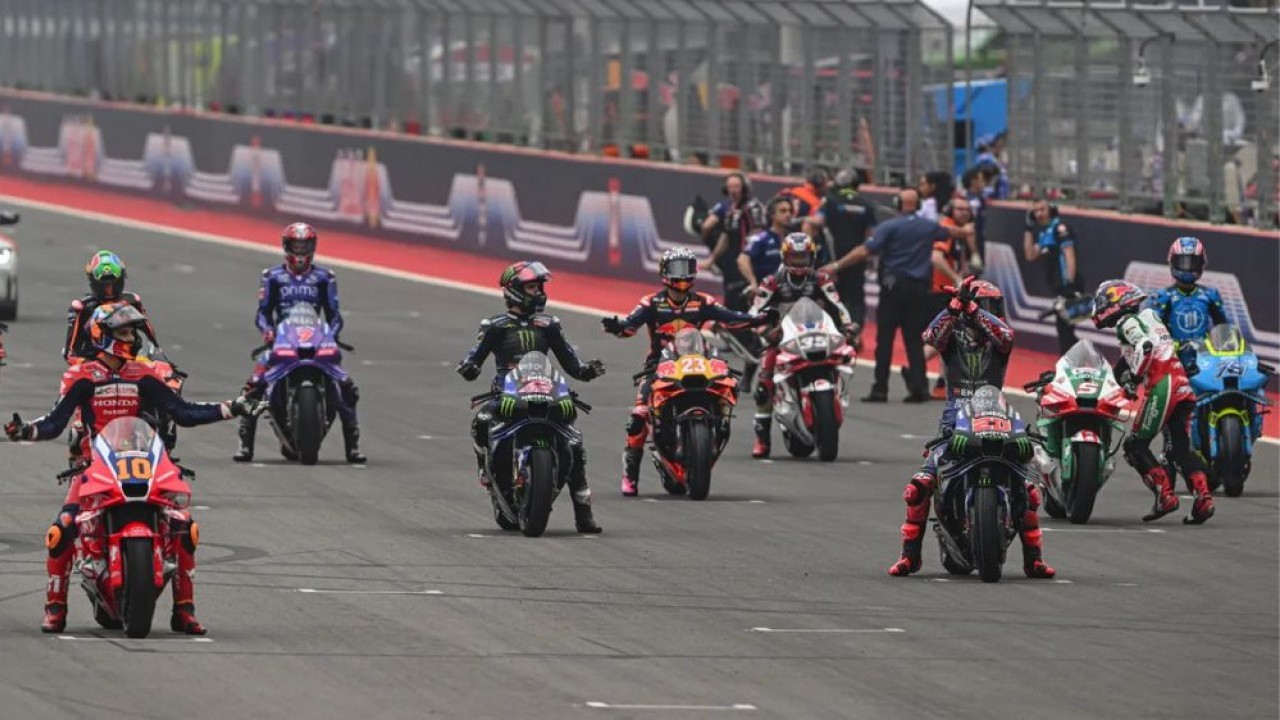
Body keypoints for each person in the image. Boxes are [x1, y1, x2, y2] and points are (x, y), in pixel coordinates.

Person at [5, 303, 264, 633]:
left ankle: (184, 610)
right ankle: (56, 607)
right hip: (94, 465)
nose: (132, 339)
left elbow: (183, 412)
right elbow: (55, 422)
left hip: (143, 462)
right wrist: (26, 430)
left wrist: (233, 408)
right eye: (125, 332)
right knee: (62, 529)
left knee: (185, 526)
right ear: (104, 335)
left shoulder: (143, 374)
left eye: (132, 332)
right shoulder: (81, 376)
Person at [887, 278, 1056, 579]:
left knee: (1029, 489)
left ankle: (1034, 560)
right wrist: (953, 310)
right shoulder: (952, 335)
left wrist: (975, 310)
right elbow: (929, 336)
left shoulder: (999, 340)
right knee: (919, 486)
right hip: (955, 418)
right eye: (987, 306)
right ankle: (910, 556)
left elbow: (1005, 336)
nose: (993, 311)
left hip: (998, 411)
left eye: (993, 306)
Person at [602, 248, 773, 496]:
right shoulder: (651, 303)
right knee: (638, 415)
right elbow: (629, 326)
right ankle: (630, 473)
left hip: (699, 360)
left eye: (686, 268)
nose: (682, 275)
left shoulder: (703, 301)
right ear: (664, 272)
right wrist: (616, 326)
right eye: (676, 269)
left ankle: (719, 425)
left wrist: (760, 319)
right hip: (659, 365)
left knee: (727, 385)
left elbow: (732, 318)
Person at [457, 261, 606, 533]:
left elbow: (570, 362)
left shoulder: (549, 324)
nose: (538, 292)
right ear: (514, 290)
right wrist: (469, 367)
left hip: (546, 387)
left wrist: (586, 371)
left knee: (574, 442)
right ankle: (484, 469)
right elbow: (474, 356)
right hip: (508, 391)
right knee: (481, 422)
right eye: (532, 287)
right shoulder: (495, 325)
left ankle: (584, 512)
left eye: (540, 287)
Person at [233, 223, 366, 464]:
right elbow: (263, 313)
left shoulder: (325, 277)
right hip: (283, 338)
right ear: (287, 246)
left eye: (305, 245)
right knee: (255, 383)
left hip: (316, 336)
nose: (300, 250)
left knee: (347, 386)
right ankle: (245, 442)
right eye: (296, 245)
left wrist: (332, 333)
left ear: (312, 247)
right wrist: (268, 332)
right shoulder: (272, 276)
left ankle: (353, 445)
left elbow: (334, 314)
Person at [1091, 280, 1215, 525]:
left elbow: (1145, 348)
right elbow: (1133, 358)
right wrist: (1118, 379)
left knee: (1135, 445)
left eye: (1104, 301)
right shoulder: (1149, 318)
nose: (1100, 307)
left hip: (1162, 386)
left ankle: (1164, 496)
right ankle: (1203, 499)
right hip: (1181, 384)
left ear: (1117, 301)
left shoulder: (1126, 322)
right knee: (1179, 450)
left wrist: (1134, 380)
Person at [824, 187, 963, 403]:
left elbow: (865, 250)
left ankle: (880, 388)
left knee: (885, 339)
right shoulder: (928, 226)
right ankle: (919, 388)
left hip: (893, 287)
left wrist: (837, 265)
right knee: (914, 341)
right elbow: (951, 233)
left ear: (898, 204)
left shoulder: (889, 226)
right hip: (919, 288)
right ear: (917, 205)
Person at [747, 234, 857, 458]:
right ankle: (762, 439)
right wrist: (766, 331)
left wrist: (848, 326)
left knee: (847, 353)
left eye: (803, 257)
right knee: (764, 384)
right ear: (784, 257)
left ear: (812, 257)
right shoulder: (772, 282)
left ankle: (835, 397)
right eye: (794, 257)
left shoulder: (822, 279)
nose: (798, 262)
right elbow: (754, 312)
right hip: (783, 337)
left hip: (817, 332)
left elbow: (838, 306)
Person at [699, 172, 768, 387]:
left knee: (746, 309)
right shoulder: (729, 209)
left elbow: (758, 234)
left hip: (748, 264)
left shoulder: (753, 208)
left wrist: (749, 261)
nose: (733, 190)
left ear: (745, 187)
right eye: (730, 186)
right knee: (732, 308)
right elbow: (725, 236)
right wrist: (713, 259)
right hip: (733, 263)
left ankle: (753, 348)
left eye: (737, 186)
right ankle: (742, 346)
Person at [1148, 237, 1228, 368]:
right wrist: (1173, 345)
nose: (1187, 268)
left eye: (1192, 263)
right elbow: (1152, 331)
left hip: (1206, 358)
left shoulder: (1211, 294)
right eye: (1182, 262)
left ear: (1202, 264)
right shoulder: (1162, 296)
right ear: (1172, 262)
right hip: (1173, 358)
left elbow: (1224, 328)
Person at [63, 250, 157, 361]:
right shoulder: (82, 307)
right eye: (103, 285)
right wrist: (85, 364)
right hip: (95, 362)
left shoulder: (132, 300)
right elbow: (71, 352)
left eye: (114, 284)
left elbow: (150, 338)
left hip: (131, 361)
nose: (109, 290)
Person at [816, 169, 877, 333]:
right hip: (856, 259)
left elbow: (817, 222)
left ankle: (833, 331)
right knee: (856, 299)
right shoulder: (867, 205)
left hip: (833, 259)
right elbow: (871, 237)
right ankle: (855, 332)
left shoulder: (829, 201)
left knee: (833, 297)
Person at [924, 196, 973, 398]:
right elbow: (936, 258)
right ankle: (916, 366)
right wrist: (956, 279)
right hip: (940, 291)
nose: (964, 212)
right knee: (944, 337)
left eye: (966, 209)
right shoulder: (946, 229)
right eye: (959, 209)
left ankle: (941, 383)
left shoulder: (958, 232)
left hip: (950, 292)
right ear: (950, 210)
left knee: (951, 339)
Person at [1023, 198, 1084, 354]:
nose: (1039, 214)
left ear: (1050, 209)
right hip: (1058, 289)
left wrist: (1070, 285)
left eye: (1042, 209)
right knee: (1064, 330)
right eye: (1035, 211)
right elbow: (1030, 255)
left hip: (1069, 287)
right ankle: (1078, 359)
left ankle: (1075, 361)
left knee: (1065, 331)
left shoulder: (1060, 228)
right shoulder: (1044, 233)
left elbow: (1069, 255)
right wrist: (1028, 229)